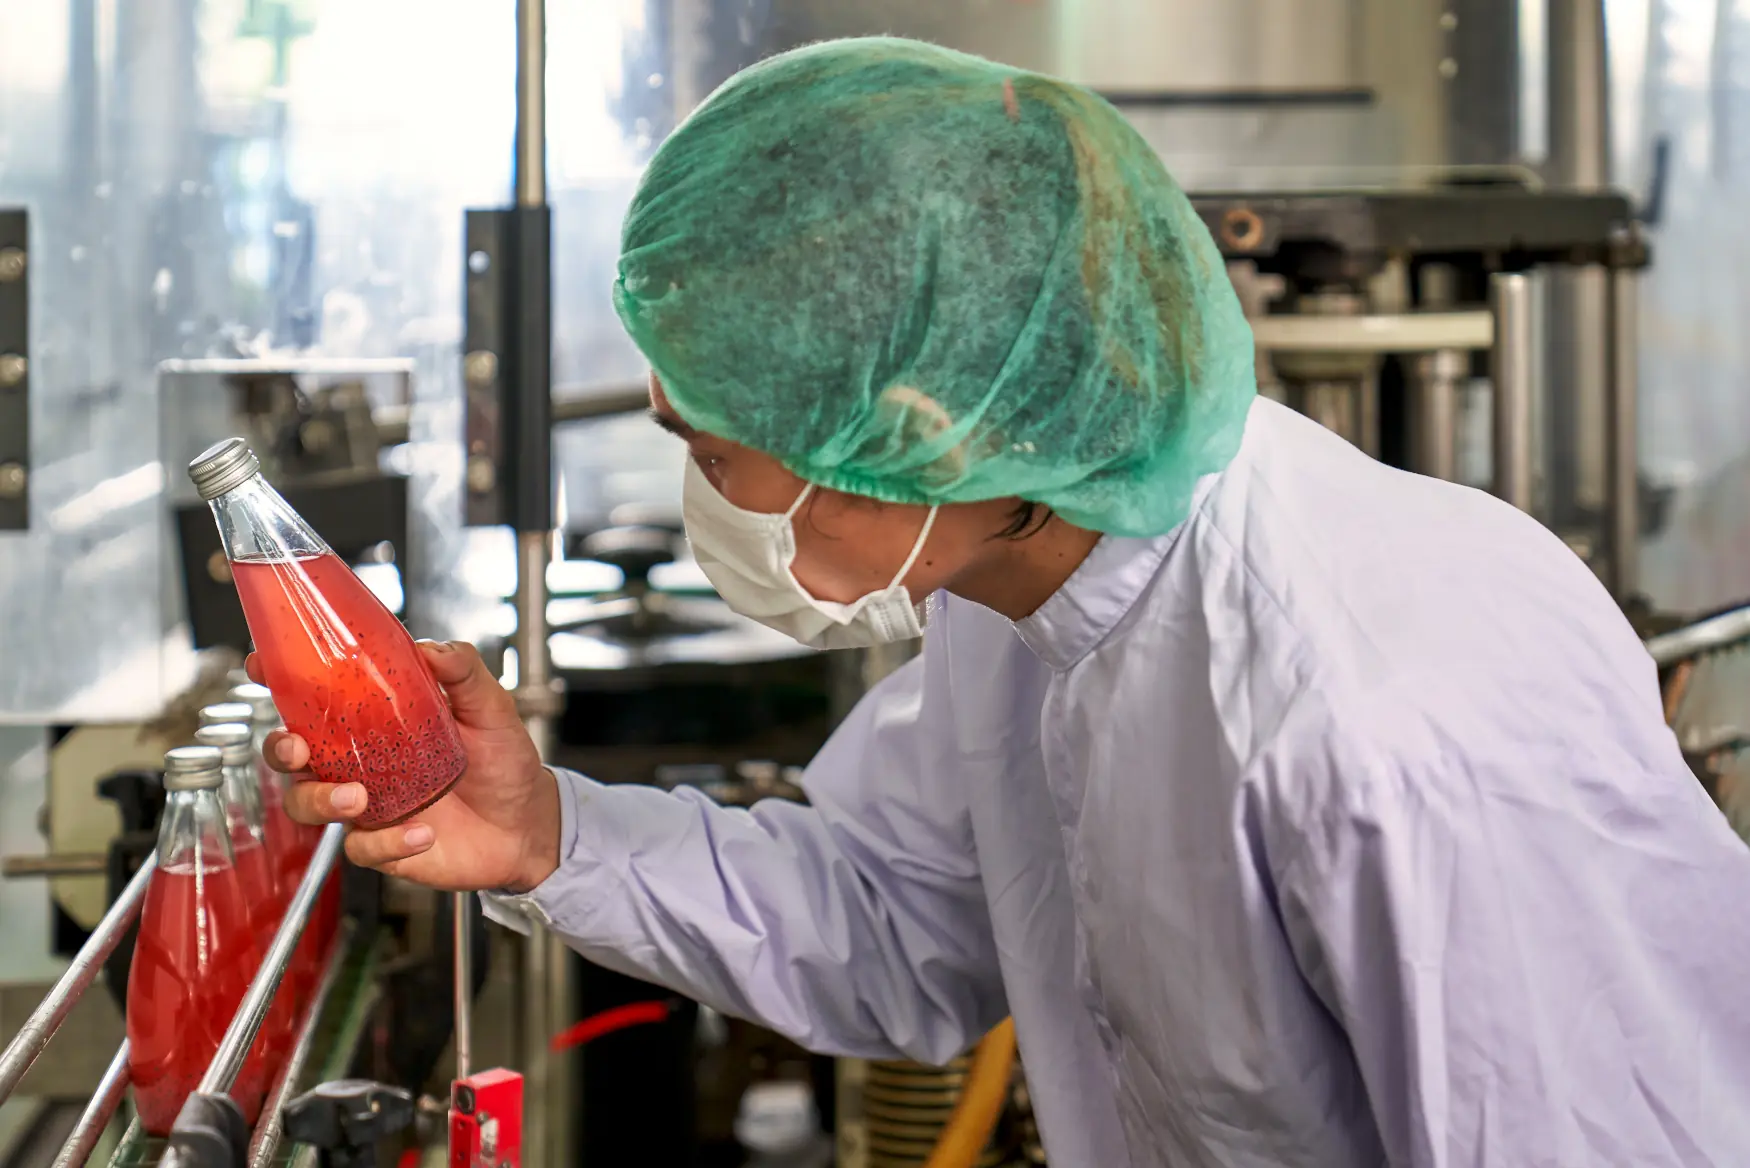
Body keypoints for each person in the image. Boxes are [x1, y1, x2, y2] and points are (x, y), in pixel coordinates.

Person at [264, 37, 1750, 1168]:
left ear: (923, 426)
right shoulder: (1020, 574)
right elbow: (895, 923)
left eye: (715, 450)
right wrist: (546, 836)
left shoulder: (1372, 715)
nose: (701, 498)